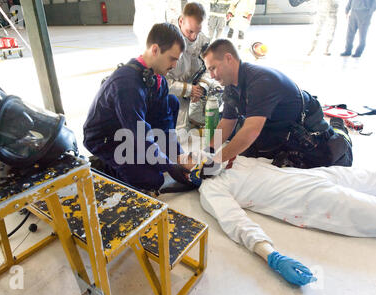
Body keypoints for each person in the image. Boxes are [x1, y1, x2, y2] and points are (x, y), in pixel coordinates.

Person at [194, 152, 376, 286]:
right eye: (189, 156)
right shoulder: (212, 188)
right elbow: (236, 222)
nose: (199, 152)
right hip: (311, 199)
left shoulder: (231, 158)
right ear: (191, 175)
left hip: (312, 175)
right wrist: (272, 256)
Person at [201, 39, 353, 169]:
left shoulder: (260, 81)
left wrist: (216, 160)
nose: (212, 76)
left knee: (334, 157)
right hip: (276, 127)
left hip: (305, 125)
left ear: (228, 58)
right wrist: (208, 152)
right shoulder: (230, 87)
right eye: (209, 71)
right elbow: (228, 121)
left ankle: (340, 129)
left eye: (213, 68)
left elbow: (251, 131)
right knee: (247, 156)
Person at [83, 23, 193, 192]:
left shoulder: (159, 80)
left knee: (171, 102)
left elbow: (164, 124)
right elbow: (140, 135)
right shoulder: (127, 84)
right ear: (155, 50)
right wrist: (170, 165)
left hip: (130, 128)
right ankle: (103, 166)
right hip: (107, 139)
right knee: (152, 180)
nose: (174, 65)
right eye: (172, 58)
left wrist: (178, 156)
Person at [166, 2, 219, 133]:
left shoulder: (202, 40)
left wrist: (201, 87)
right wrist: (188, 90)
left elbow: (211, 68)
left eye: (197, 31)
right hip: (171, 96)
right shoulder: (166, 41)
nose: (193, 37)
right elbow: (161, 82)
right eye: (190, 31)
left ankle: (198, 122)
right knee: (177, 132)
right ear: (181, 21)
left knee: (219, 88)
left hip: (195, 92)